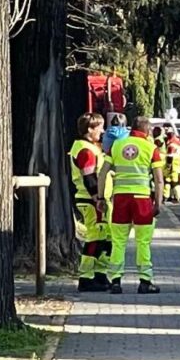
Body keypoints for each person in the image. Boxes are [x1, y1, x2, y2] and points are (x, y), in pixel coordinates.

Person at [105, 111, 163, 291]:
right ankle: (145, 281)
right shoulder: (150, 148)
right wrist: (158, 203)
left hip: (121, 199)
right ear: (147, 130)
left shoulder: (117, 145)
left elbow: (102, 172)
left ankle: (115, 280)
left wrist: (101, 197)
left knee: (118, 241)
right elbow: (159, 179)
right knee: (143, 242)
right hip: (142, 200)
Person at [68, 112, 112, 291]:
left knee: (105, 237)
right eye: (99, 127)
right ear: (89, 129)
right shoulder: (86, 150)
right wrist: (97, 198)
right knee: (95, 237)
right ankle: (86, 277)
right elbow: (89, 177)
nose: (102, 131)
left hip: (98, 199)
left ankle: (100, 274)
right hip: (92, 200)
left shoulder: (90, 147)